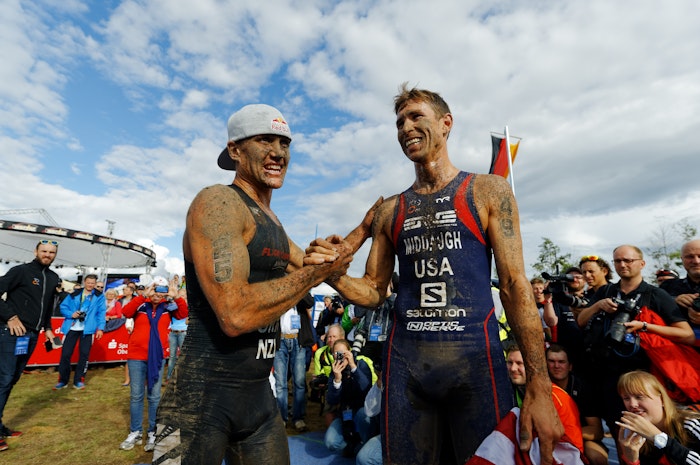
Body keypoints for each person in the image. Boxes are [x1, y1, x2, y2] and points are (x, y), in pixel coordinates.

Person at [305, 84, 563, 464]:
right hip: (407, 370)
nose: (405, 128)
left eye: (416, 117)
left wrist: (539, 383)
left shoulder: (488, 191)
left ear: (446, 124)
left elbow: (513, 285)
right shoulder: (391, 210)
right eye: (399, 122)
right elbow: (374, 290)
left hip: (476, 366)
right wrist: (331, 275)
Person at [151, 103, 379, 465]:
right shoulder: (217, 203)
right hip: (197, 399)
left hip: (256, 398)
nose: (278, 153)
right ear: (235, 150)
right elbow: (235, 313)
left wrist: (364, 229)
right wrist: (315, 273)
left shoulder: (271, 222)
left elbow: (320, 267)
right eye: (264, 141)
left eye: (284, 143)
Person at [576, 245, 694, 441]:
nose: (622, 265)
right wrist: (598, 306)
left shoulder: (655, 295)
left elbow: (686, 334)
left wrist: (645, 326)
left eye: (628, 260)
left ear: (642, 263)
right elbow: (581, 321)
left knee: (651, 433)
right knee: (619, 430)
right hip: (608, 374)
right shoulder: (606, 291)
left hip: (644, 375)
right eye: (618, 261)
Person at [0, 240, 61, 452]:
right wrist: (10, 317)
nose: (47, 254)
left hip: (31, 336)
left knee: (12, 379)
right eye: (44, 251)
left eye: (51, 252)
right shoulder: (21, 271)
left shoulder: (53, 277)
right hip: (11, 332)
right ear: (36, 251)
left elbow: (47, 308)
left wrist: (49, 329)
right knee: (4, 379)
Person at [119, 277, 188, 452]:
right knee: (136, 395)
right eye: (155, 289)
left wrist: (176, 296)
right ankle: (135, 432)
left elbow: (183, 314)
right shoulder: (141, 304)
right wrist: (143, 295)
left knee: (154, 396)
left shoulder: (168, 307)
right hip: (136, 356)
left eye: (161, 290)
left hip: (156, 357)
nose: (158, 294)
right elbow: (126, 312)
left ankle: (152, 432)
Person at [615, 370, 700, 465]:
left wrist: (659, 438)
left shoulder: (690, 425)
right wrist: (632, 460)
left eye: (639, 397)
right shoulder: (633, 436)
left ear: (662, 399)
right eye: (626, 398)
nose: (632, 404)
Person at [546, 344, 608, 465]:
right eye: (551, 361)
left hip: (579, 436)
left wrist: (566, 433)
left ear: (570, 366)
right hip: (547, 438)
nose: (556, 366)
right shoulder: (539, 387)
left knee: (598, 458)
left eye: (561, 362)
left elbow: (597, 431)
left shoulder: (583, 389)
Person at [323, 339, 376, 458]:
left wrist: (353, 367)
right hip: (345, 414)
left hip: (362, 411)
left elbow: (366, 389)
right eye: (337, 353)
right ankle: (351, 444)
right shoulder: (334, 372)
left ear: (350, 352)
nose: (341, 356)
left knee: (363, 415)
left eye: (343, 352)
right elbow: (332, 400)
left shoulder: (361, 364)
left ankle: (366, 445)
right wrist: (337, 380)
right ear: (333, 355)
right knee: (331, 443)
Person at [55, 274, 106, 390]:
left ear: (95, 284)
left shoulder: (99, 296)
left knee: (84, 355)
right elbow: (63, 307)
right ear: (84, 282)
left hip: (88, 329)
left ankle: (79, 380)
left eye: (92, 283)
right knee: (65, 354)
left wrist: (100, 328)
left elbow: (101, 313)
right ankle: (63, 380)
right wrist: (71, 314)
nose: (90, 285)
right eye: (88, 282)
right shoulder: (74, 294)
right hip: (71, 328)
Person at [273, 300, 309, 432]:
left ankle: (298, 418)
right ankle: (281, 418)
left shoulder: (300, 294)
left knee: (299, 383)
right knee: (280, 384)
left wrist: (298, 289)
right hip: (280, 341)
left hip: (298, 341)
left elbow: (310, 302)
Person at [660, 239, 700, 345]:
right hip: (676, 349)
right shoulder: (668, 286)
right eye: (690, 257)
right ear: (682, 259)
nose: (696, 261)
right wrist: (673, 301)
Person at [166, 288, 187, 381]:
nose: (181, 297)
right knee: (172, 356)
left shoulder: (188, 306)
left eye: (182, 295)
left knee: (183, 355)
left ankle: (182, 376)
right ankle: (169, 377)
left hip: (183, 332)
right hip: (173, 332)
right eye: (179, 295)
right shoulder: (173, 305)